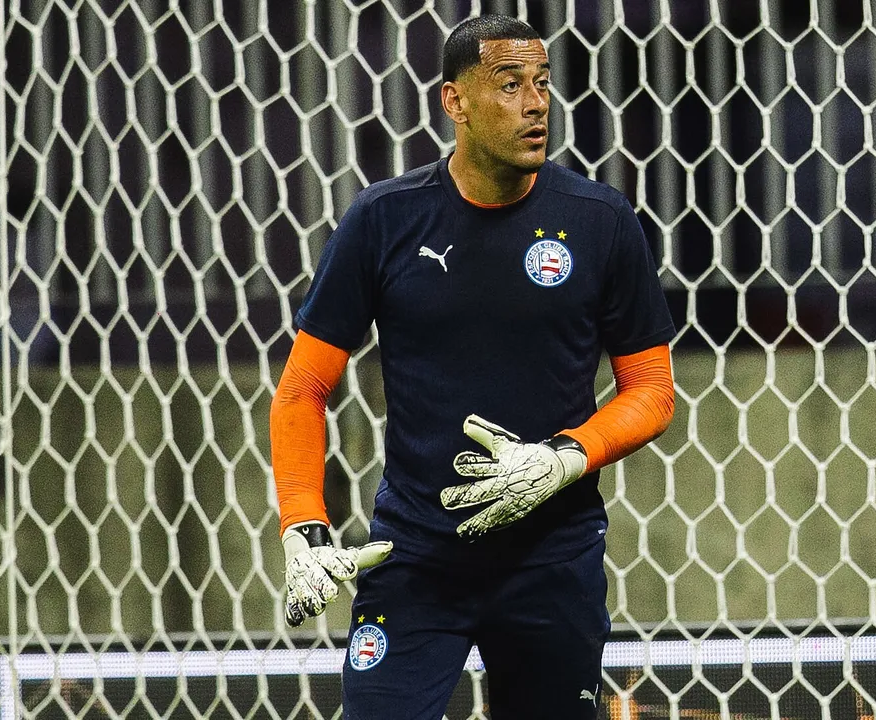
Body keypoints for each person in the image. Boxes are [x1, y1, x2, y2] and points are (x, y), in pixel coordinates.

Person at [270, 14, 676, 719]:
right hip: (415, 559)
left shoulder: (601, 221)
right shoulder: (383, 220)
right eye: (510, 84)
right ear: (453, 101)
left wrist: (564, 458)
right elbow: (302, 390)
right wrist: (304, 526)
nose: (536, 103)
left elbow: (653, 392)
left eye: (543, 84)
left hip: (552, 562)